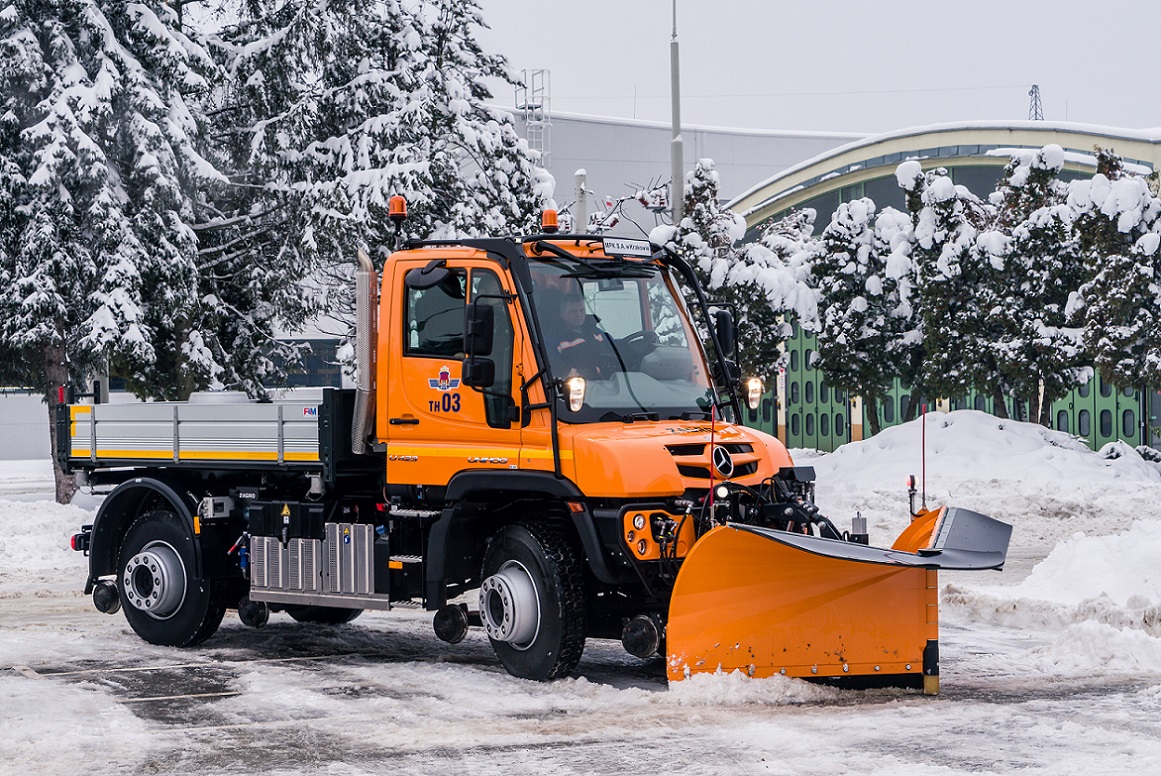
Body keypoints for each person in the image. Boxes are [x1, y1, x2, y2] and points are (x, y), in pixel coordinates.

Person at [550, 293, 616, 379]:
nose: (579, 314)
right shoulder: (554, 339)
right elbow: (551, 363)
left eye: (581, 310)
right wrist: (568, 371)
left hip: (608, 380)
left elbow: (614, 348)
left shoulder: (596, 332)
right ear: (562, 314)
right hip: (578, 383)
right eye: (573, 311)